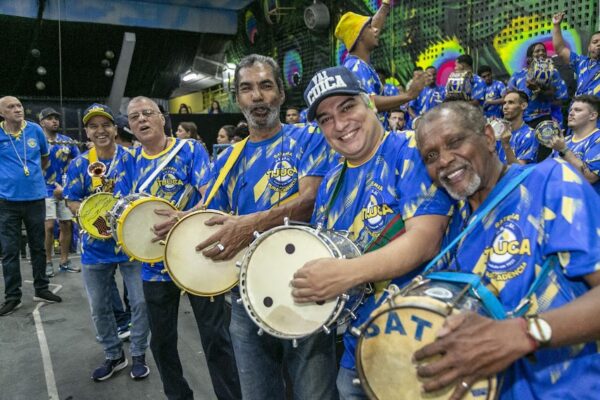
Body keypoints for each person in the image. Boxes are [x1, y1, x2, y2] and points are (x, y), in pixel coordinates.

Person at [154, 54, 335, 400]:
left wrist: (251, 223)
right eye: (247, 88)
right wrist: (185, 221)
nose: (257, 96)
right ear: (237, 99)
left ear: (281, 94)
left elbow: (309, 200)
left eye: (266, 86)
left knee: (314, 395)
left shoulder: (308, 137)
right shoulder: (227, 157)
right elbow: (214, 216)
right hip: (245, 296)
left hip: (305, 287)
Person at [412, 101, 600, 399]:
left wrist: (526, 334)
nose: (444, 160)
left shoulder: (550, 181)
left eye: (455, 141)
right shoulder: (455, 227)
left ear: (488, 137)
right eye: (431, 156)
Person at [289, 66, 452, 399]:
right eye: (325, 119)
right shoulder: (332, 180)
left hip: (419, 343)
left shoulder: (409, 151)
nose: (339, 124)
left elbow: (425, 240)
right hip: (358, 348)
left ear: (371, 104)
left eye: (347, 107)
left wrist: (345, 273)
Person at [114, 96, 240, 400]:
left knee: (215, 338)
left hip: (197, 257)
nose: (141, 120)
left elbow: (210, 198)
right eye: (134, 117)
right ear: (130, 127)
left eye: (147, 113)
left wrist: (181, 220)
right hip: (154, 265)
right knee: (162, 342)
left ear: (161, 118)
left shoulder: (189, 149)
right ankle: (178, 395)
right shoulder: (127, 160)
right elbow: (123, 210)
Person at [64, 103, 150, 381]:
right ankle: (114, 355)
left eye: (105, 125)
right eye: (93, 126)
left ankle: (138, 354)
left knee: (140, 303)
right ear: (87, 131)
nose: (100, 130)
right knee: (99, 307)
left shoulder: (133, 159)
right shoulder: (79, 163)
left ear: (115, 129)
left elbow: (143, 196)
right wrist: (91, 215)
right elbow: (71, 199)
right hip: (94, 249)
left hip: (131, 244)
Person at [0, 96, 62, 316]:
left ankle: (42, 288)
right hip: (7, 202)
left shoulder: (35, 130)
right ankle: (12, 297)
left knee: (38, 246)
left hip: (35, 198)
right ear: (2, 113)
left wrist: (30, 176)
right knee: (9, 251)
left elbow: (45, 159)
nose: (17, 109)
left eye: (19, 106)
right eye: (11, 107)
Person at [334, 1, 426, 112]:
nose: (376, 30)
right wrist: (409, 95)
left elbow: (374, 26)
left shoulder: (357, 61)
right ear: (359, 37)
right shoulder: (356, 67)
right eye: (369, 27)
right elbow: (368, 103)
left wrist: (386, 4)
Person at [38, 107, 81, 276]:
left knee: (66, 224)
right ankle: (48, 262)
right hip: (43, 189)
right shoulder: (37, 141)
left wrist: (67, 185)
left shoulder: (67, 141)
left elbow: (78, 163)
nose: (55, 121)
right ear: (42, 122)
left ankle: (64, 261)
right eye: (50, 118)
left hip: (64, 190)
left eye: (56, 118)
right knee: (48, 227)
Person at [507, 42, 568, 128]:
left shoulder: (553, 73)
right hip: (523, 121)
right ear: (529, 58)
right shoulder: (518, 75)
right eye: (537, 51)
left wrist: (538, 90)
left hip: (545, 119)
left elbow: (560, 100)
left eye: (543, 51)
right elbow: (508, 97)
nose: (541, 53)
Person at [549, 95, 600, 194]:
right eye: (570, 110)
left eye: (578, 110)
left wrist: (564, 150)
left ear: (593, 116)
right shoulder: (563, 141)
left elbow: (590, 178)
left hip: (587, 206)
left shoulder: (597, 139)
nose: (571, 113)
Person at [552, 11, 600, 96]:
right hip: (578, 106)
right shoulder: (581, 62)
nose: (599, 44)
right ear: (589, 47)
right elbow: (560, 49)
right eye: (595, 42)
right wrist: (556, 25)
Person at [498, 90, 538, 165]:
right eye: (504, 103)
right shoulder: (498, 132)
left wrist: (506, 145)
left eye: (511, 102)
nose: (505, 107)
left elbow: (519, 169)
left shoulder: (530, 134)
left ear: (523, 106)